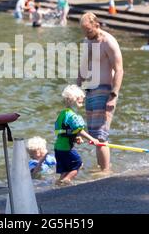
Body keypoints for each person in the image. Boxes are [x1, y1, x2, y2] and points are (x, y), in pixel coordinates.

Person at [77, 13, 123, 173]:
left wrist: (113, 95)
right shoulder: (86, 41)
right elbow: (83, 68)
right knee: (93, 135)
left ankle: (105, 171)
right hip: (90, 90)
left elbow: (119, 69)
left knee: (100, 135)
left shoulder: (108, 42)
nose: (86, 34)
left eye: (89, 31)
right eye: (84, 31)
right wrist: (77, 90)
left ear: (97, 25)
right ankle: (102, 168)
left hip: (105, 90)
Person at [54, 85, 100, 185]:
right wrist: (93, 139)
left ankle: (58, 184)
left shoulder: (62, 114)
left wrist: (75, 138)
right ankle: (67, 181)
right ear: (74, 99)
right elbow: (79, 130)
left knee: (65, 169)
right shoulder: (73, 116)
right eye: (80, 99)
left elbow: (64, 131)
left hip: (58, 147)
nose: (82, 101)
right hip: (66, 148)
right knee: (78, 164)